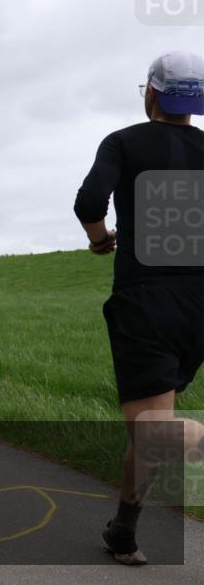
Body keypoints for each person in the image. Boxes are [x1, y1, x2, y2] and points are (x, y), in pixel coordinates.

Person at [74, 51, 204, 565]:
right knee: (151, 427)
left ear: (151, 93)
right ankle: (123, 532)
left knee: (153, 428)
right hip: (200, 303)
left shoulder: (123, 141)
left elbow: (89, 201)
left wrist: (100, 238)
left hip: (146, 299)